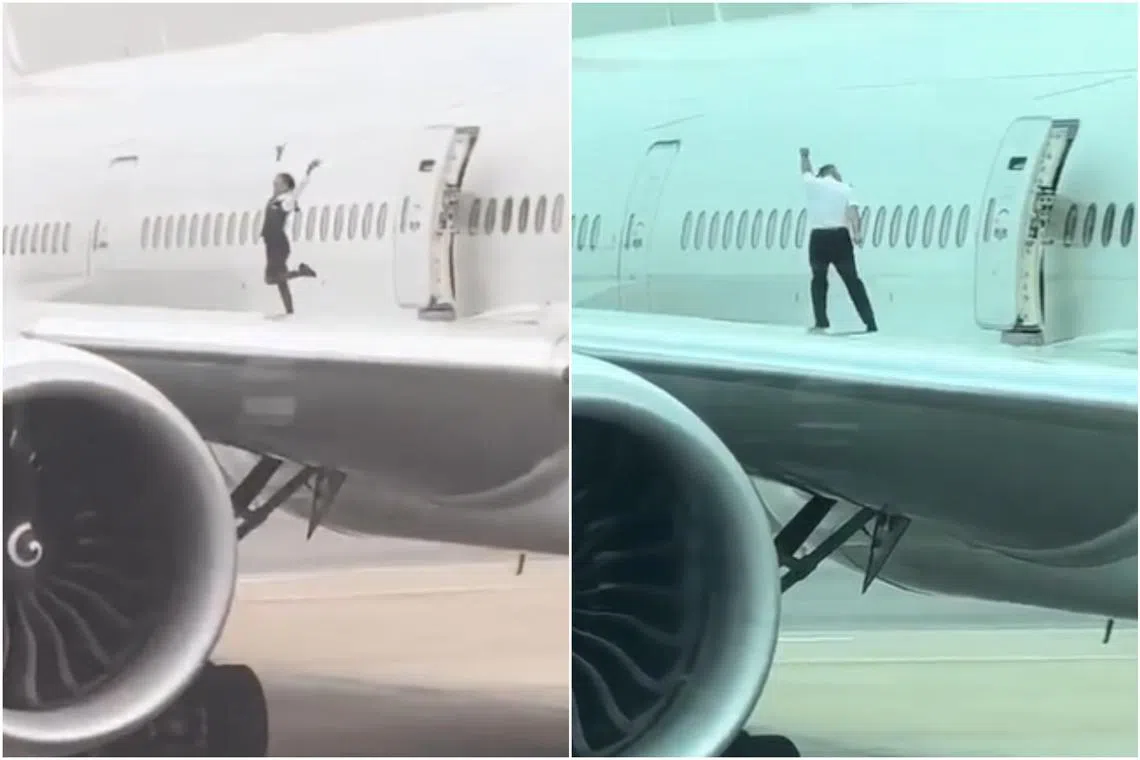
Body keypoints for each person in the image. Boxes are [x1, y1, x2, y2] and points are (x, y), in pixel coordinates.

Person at [799, 147, 878, 333]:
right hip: (840, 237)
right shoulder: (844, 189)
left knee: (819, 280)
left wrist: (804, 156)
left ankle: (821, 320)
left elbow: (806, 170)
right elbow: (853, 212)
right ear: (832, 172)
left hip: (819, 237)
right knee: (852, 281)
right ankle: (870, 321)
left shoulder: (813, 185)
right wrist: (857, 233)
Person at [263, 159, 321, 315]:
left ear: (285, 186)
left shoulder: (287, 201)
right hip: (273, 242)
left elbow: (298, 192)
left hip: (277, 244)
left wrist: (307, 173)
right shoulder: (275, 200)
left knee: (271, 278)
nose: (274, 186)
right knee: (281, 281)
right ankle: (289, 311)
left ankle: (302, 272)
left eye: (277, 184)